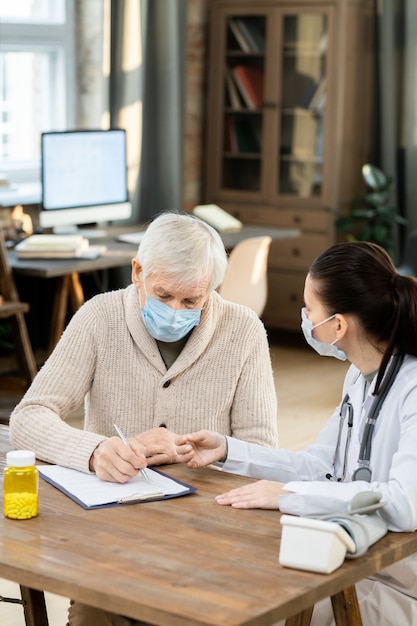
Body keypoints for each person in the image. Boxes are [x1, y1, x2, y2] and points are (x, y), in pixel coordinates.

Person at [9, 210, 278, 626]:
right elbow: (29, 416)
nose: (176, 311)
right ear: (138, 271)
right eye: (164, 295)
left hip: (205, 535)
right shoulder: (99, 317)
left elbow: (263, 454)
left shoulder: (243, 330)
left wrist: (200, 454)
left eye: (192, 300)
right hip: (109, 532)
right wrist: (95, 450)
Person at [176, 241, 417, 626]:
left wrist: (290, 495)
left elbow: (405, 504)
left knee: (251, 612)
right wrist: (227, 451)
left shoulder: (412, 388)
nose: (304, 317)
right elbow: (317, 466)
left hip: (398, 585)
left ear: (337, 325)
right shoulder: (359, 376)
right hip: (351, 561)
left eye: (310, 309)